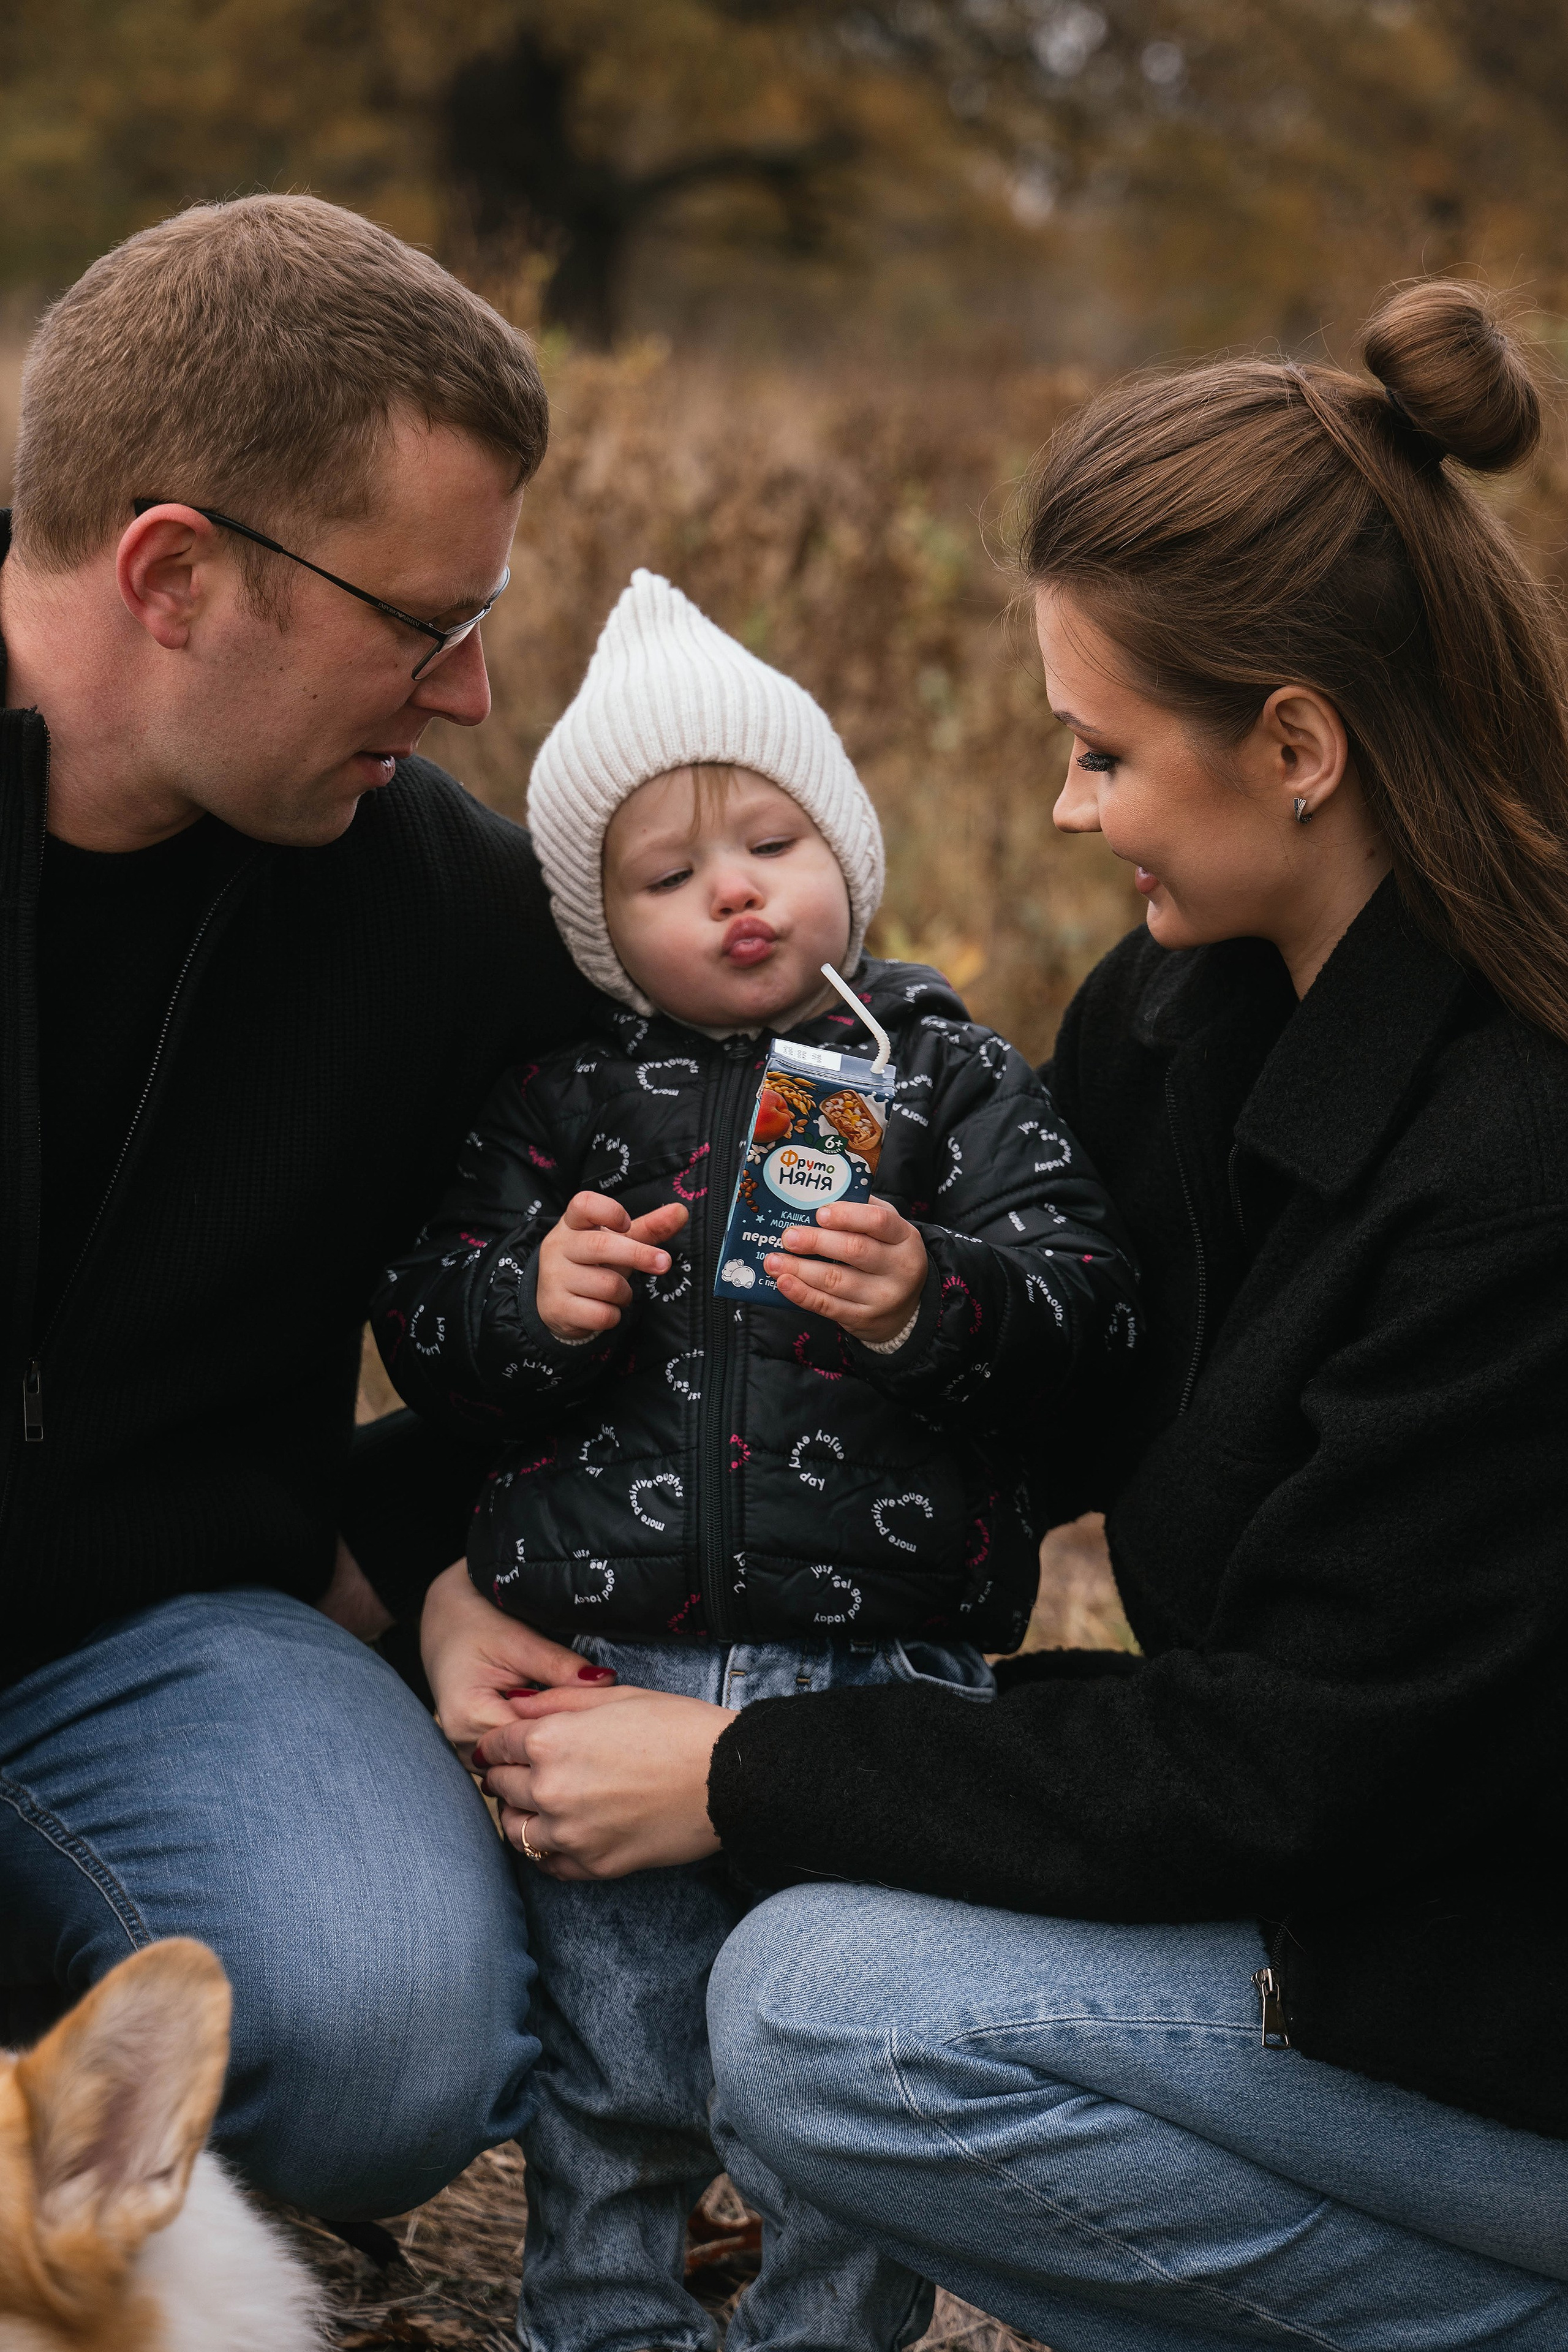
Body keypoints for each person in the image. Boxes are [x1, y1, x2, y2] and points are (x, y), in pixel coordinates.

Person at [467, 281, 1568, 2345]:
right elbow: (994, 1402)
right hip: (1363, 1887)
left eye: (1100, 752)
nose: (1066, 808)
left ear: (1300, 747)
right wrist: (449, 1549)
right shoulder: (1180, 1020)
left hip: (1503, 1989)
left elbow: (1306, 1768)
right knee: (835, 1955)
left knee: (825, 2017)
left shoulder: (1519, 1166)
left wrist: (745, 1774)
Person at [377, 568, 1137, 2352]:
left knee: (838, 2111)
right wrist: (533, 1302)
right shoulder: (559, 1104)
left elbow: (1089, 1312)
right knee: (617, 2074)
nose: (732, 889)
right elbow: (425, 1319)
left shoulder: (945, 1084)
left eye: (772, 840)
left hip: (879, 1685)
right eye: (666, 873)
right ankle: (603, 2326)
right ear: (598, 925)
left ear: (845, 857)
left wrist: (930, 1300)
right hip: (608, 1659)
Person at [0, 192, 614, 2218]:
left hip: (156, 1637)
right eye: (424, 623)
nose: (469, 694)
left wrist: (411, 1555)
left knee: (386, 2040)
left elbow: (663, 1275)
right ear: (173, 573)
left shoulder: (439, 910)